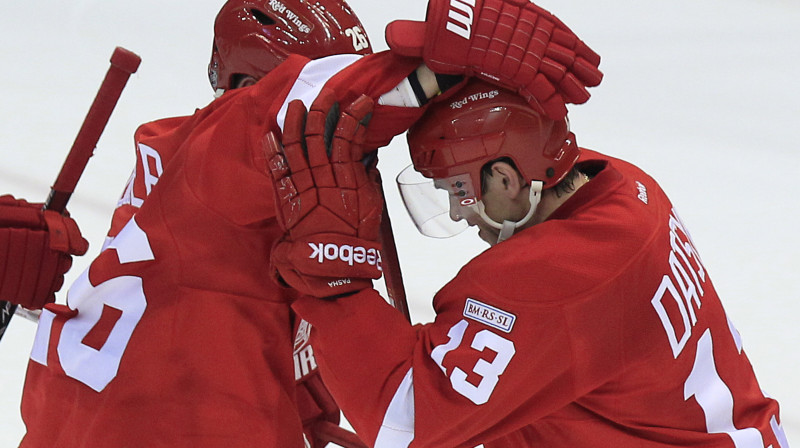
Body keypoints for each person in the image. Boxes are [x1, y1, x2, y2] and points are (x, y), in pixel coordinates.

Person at [14, 0, 603, 446]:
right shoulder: (224, 152)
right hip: (160, 422)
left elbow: (281, 338)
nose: (356, 139)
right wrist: (437, 67)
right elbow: (312, 105)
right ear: (247, 91)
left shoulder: (229, 179)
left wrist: (316, 421)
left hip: (94, 414)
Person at [267, 77, 791, 447]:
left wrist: (334, 282)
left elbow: (405, 422)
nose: (457, 211)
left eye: (457, 189)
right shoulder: (622, 186)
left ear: (506, 178)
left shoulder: (553, 276)